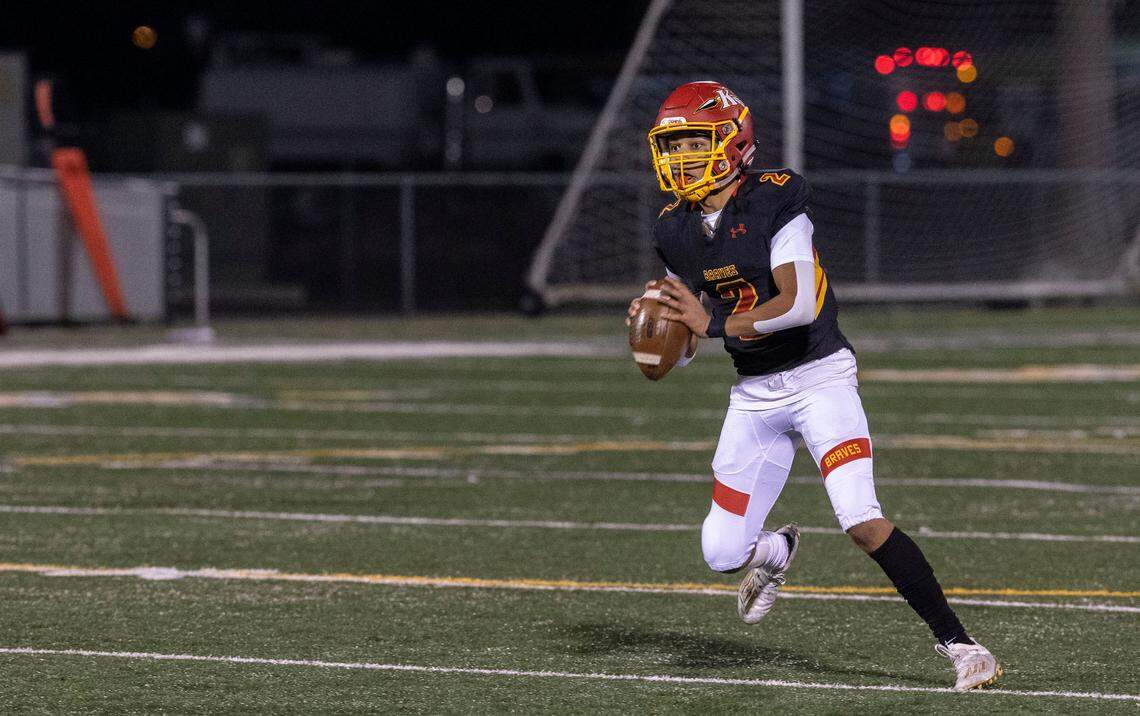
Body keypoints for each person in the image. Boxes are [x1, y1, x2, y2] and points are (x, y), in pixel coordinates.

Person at [626, 81, 1001, 692]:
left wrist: (710, 325)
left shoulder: (776, 197)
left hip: (819, 375)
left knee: (860, 518)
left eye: (696, 142)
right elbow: (689, 340)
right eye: (675, 145)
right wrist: (660, 337)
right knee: (722, 553)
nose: (682, 157)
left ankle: (962, 646)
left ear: (734, 142)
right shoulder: (674, 228)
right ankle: (775, 552)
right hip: (755, 394)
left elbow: (797, 305)